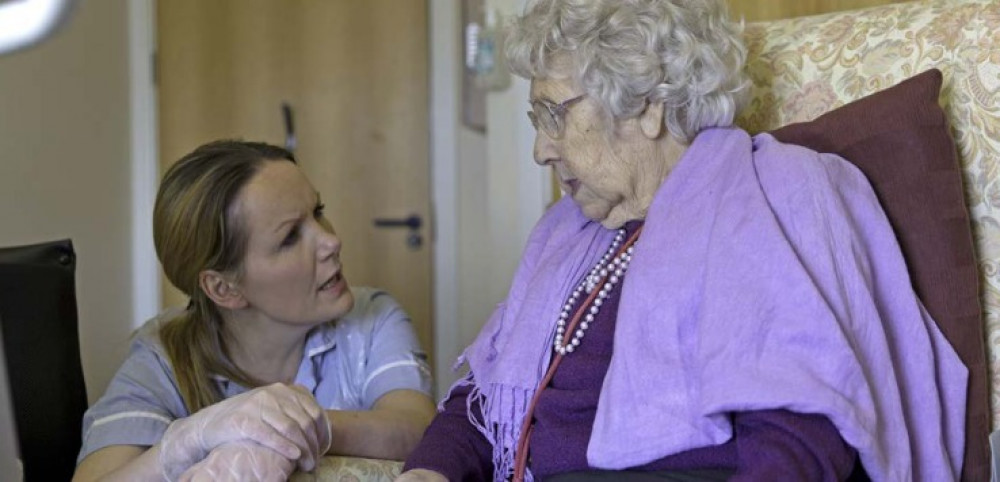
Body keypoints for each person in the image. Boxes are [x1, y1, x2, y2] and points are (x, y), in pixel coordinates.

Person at [399, 0, 967, 481]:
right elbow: (482, 402)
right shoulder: (566, 237)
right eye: (535, 119)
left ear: (647, 104)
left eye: (555, 114)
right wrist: (427, 473)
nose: (541, 150)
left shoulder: (767, 192)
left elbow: (802, 430)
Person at [73, 140, 436, 481]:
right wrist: (187, 441)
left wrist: (296, 425)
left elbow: (418, 430)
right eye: (290, 237)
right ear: (224, 288)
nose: (331, 240)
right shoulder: (163, 355)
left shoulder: (372, 318)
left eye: (318, 212)